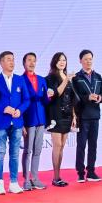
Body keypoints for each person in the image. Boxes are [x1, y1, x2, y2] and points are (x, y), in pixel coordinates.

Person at [0, 51, 27, 194]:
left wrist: (20, 110)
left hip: (17, 122)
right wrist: (3, 108)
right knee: (0, 153)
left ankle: (14, 182)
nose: (12, 62)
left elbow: (26, 99)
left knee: (15, 154)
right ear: (1, 62)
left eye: (13, 59)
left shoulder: (20, 79)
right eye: (8, 59)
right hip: (1, 122)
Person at [19, 52, 52, 191]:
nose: (32, 63)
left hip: (41, 118)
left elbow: (45, 101)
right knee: (28, 150)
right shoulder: (19, 80)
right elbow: (19, 102)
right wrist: (21, 123)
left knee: (37, 150)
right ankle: (26, 180)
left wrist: (49, 96)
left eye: (34, 60)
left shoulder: (41, 79)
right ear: (24, 63)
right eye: (29, 60)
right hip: (28, 118)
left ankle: (35, 178)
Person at [71, 49, 102, 183]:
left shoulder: (98, 76)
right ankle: (80, 173)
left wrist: (100, 98)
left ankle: (91, 172)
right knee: (81, 145)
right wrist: (87, 97)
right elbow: (74, 96)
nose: (88, 61)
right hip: (83, 116)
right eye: (85, 59)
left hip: (95, 115)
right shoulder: (76, 77)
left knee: (93, 145)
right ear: (80, 61)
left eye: (90, 59)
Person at [44, 52, 75, 187]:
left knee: (62, 146)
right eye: (59, 60)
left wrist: (74, 115)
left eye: (64, 60)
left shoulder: (68, 77)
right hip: (55, 114)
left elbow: (71, 97)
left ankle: (58, 176)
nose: (62, 62)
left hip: (67, 115)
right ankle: (55, 177)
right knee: (57, 145)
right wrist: (66, 80)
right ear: (54, 62)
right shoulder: (50, 77)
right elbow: (56, 93)